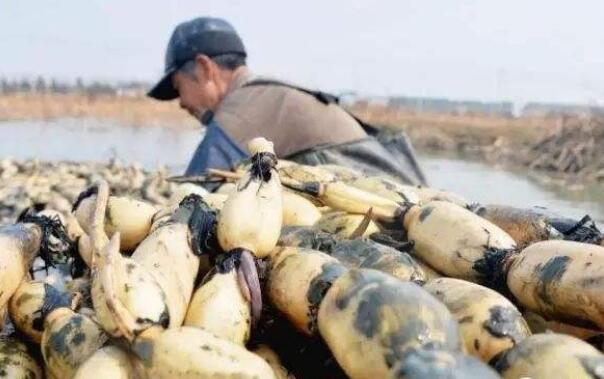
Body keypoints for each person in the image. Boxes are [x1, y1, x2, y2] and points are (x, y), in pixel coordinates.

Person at [148, 17, 426, 185]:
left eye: (178, 87)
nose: (181, 103)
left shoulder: (243, 109)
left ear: (204, 68)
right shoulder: (270, 94)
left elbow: (191, 196)